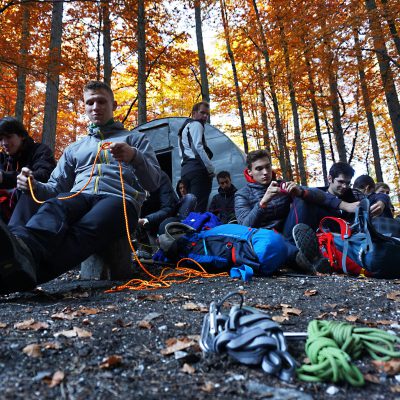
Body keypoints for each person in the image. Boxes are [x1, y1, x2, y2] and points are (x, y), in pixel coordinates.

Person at [0, 80, 161, 294]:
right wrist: (33, 185)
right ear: (84, 107)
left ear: (113, 106)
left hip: (119, 201)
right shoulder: (75, 148)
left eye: (102, 102)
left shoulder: (135, 139)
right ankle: (18, 249)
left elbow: (154, 182)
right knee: (56, 206)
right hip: (79, 194)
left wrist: (134, 156)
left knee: (87, 228)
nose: (96, 107)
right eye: (90, 102)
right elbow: (55, 188)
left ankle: (29, 275)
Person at [235, 149, 343, 273]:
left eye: (268, 167)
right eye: (259, 169)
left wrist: (342, 204)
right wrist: (262, 203)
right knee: (279, 244)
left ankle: (341, 234)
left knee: (304, 198)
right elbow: (245, 226)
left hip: (291, 233)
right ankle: (309, 260)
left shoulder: (282, 185)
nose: (265, 172)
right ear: (250, 172)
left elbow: (316, 193)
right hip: (267, 238)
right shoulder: (242, 194)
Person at [0, 117, 56, 223]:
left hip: (33, 209)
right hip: (5, 211)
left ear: (21, 136)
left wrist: (5, 177)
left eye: (8, 137)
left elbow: (45, 176)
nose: (4, 143)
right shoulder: (2, 158)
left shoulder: (40, 151)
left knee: (27, 190)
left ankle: (17, 236)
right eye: (1, 139)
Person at [321, 163, 392, 221]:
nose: (345, 186)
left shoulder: (352, 195)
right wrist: (345, 205)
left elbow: (376, 196)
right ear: (330, 179)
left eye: (348, 183)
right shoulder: (318, 196)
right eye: (340, 181)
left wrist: (381, 202)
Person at [178, 101, 214, 212]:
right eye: (202, 113)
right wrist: (210, 168)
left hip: (185, 171)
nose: (205, 116)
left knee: (190, 208)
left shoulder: (183, 129)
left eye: (207, 114)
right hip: (197, 169)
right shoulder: (196, 124)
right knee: (199, 207)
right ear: (194, 114)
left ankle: (189, 228)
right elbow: (197, 147)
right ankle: (197, 229)